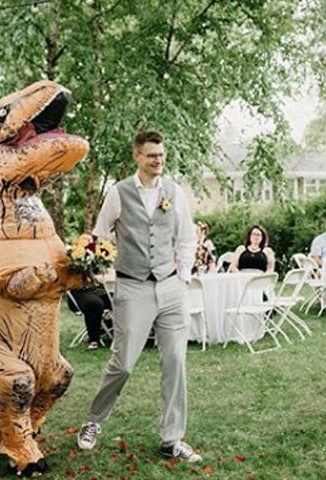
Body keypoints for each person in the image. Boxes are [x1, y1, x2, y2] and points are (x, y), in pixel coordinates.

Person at [76, 129, 201, 463]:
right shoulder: (118, 193)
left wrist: (183, 277)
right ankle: (93, 421)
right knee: (124, 363)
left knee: (175, 361)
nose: (157, 160)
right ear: (137, 157)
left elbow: (187, 237)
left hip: (170, 285)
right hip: (132, 286)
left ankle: (172, 438)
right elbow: (100, 236)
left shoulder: (174, 192)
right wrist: (103, 267)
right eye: (151, 155)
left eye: (161, 155)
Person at [68, 284, 113, 349]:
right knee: (94, 303)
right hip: (79, 291)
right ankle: (94, 339)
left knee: (123, 298)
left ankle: (113, 329)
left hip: (99, 289)